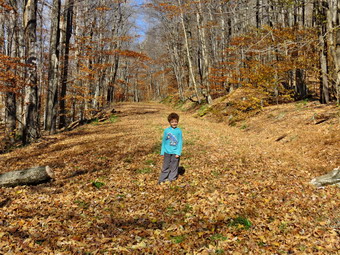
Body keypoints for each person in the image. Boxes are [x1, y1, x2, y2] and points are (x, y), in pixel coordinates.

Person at [158, 112, 183, 184]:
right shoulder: (166, 130)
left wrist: (178, 152)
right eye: (172, 122)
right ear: (169, 122)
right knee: (165, 166)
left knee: (174, 166)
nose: (174, 123)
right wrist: (162, 151)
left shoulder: (179, 131)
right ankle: (162, 179)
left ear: (177, 122)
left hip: (175, 152)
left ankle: (171, 179)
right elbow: (164, 141)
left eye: (175, 122)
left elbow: (180, 142)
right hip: (167, 151)